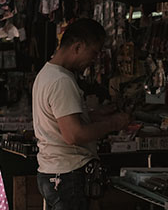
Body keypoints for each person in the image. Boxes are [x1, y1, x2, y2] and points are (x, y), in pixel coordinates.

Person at [32, 19, 131, 210]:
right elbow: (74, 134)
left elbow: (62, 119)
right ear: (77, 47)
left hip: (54, 173)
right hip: (68, 176)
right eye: (93, 53)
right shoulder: (61, 81)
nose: (94, 60)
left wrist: (97, 115)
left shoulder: (47, 74)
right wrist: (114, 123)